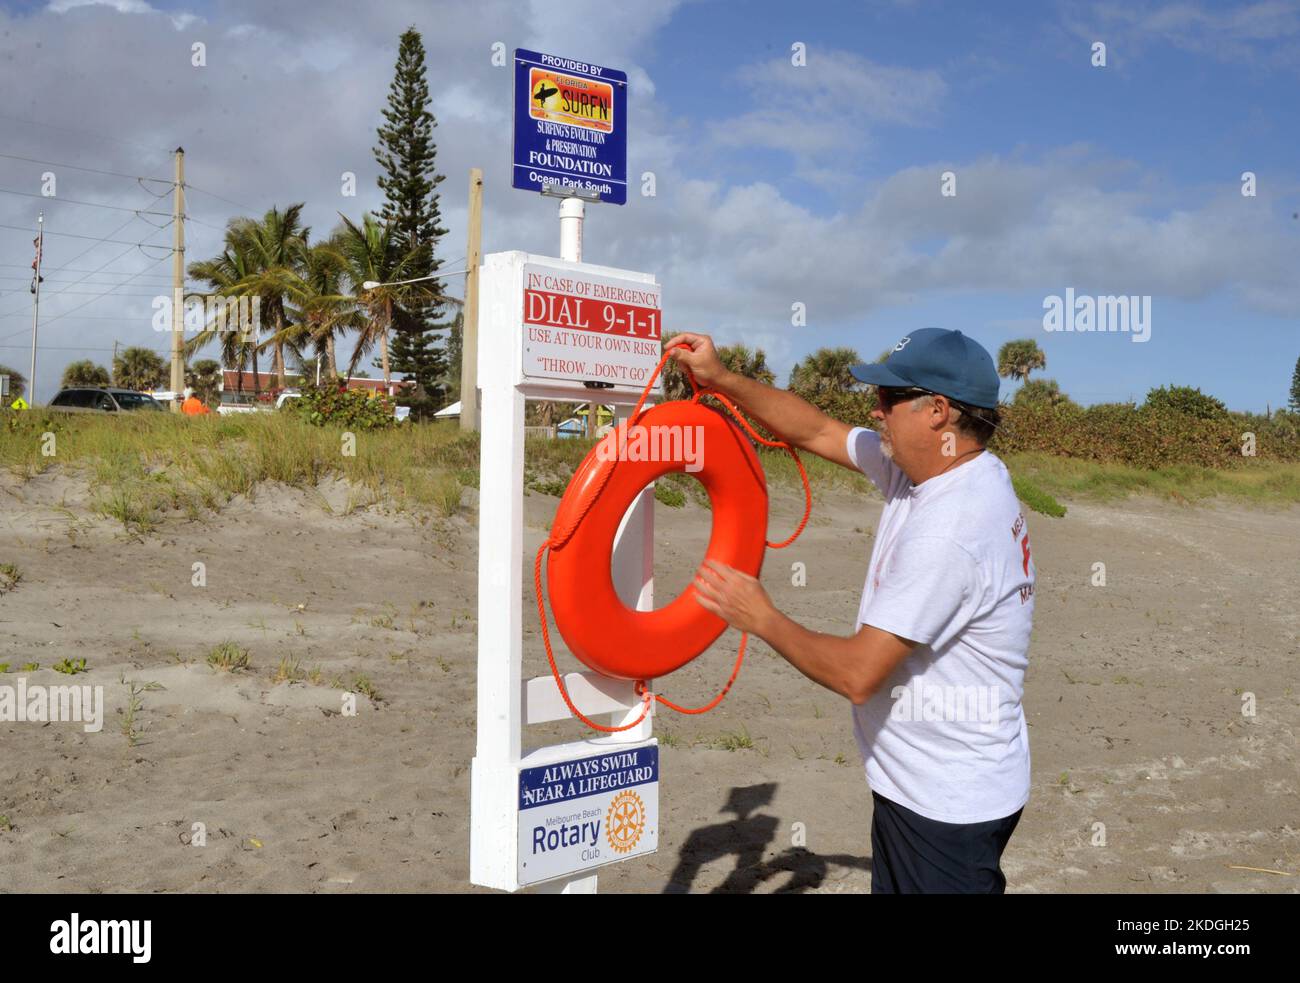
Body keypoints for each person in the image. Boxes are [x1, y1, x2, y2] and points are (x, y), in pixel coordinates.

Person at [667, 328, 1034, 894]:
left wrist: (761, 616)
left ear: (937, 412)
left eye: (889, 398)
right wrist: (721, 379)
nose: (876, 410)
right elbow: (815, 429)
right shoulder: (937, 470)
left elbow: (857, 674)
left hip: (946, 800)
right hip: (929, 782)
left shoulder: (954, 525)